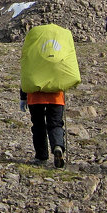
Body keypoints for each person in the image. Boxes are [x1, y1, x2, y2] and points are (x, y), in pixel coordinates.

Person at [20, 23, 81, 169]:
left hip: (35, 96)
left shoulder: (33, 51)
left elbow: (26, 74)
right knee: (56, 124)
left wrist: (23, 96)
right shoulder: (59, 49)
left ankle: (41, 157)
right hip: (56, 95)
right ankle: (57, 146)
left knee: (38, 126)